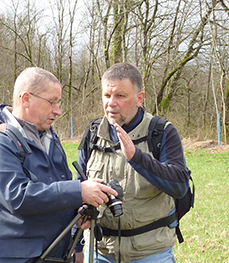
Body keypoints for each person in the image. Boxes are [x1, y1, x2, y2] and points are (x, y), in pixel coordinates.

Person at [0, 67, 117, 263]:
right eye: (52, 102)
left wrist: (76, 221)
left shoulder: (51, 138)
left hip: (58, 253)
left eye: (58, 103)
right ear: (26, 99)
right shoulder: (0, 142)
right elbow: (17, 197)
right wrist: (78, 192)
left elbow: (57, 188)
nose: (58, 111)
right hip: (18, 257)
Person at [74, 62, 190, 262]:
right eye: (106, 95)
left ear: (139, 98)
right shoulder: (93, 133)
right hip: (99, 252)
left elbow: (180, 186)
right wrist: (76, 242)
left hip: (150, 253)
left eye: (120, 96)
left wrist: (137, 158)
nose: (111, 103)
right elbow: (79, 188)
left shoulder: (161, 132)